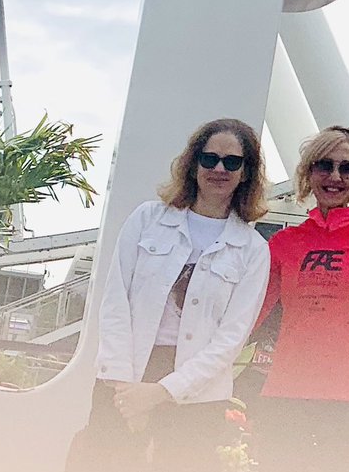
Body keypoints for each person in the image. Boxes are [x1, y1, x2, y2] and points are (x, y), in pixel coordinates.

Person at [66, 118, 271, 472]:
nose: (219, 168)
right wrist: (126, 387)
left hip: (198, 394)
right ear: (193, 164)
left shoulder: (253, 249)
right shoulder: (147, 220)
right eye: (210, 159)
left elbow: (231, 339)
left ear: (245, 173)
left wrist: (162, 392)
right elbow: (115, 302)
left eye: (232, 162)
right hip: (124, 381)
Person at [253, 125, 349, 472]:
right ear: (308, 173)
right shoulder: (282, 244)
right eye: (324, 165)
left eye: (347, 168)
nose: (334, 176)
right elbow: (250, 318)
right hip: (284, 399)